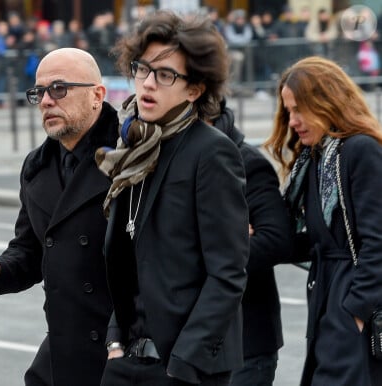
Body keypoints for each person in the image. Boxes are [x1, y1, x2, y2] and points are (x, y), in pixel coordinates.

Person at [95, 11, 249, 386]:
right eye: (142, 69)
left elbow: (227, 272)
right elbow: (129, 257)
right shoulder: (133, 147)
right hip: (126, 359)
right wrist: (116, 338)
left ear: (194, 89)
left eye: (165, 75)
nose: (148, 84)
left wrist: (182, 362)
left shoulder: (211, 152)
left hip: (182, 368)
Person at [0, 47, 119, 386]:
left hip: (122, 349)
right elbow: (30, 250)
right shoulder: (37, 166)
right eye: (38, 92)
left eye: (59, 89)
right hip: (63, 347)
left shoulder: (130, 156)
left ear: (97, 95)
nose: (45, 101)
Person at [265, 56, 382, 386]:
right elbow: (320, 239)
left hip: (350, 307)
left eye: (299, 109)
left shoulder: (360, 150)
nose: (292, 121)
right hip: (327, 303)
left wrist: (353, 315)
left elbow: (377, 242)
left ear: (326, 102)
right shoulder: (314, 160)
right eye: (288, 111)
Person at [211, 100, 292, 386]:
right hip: (196, 341)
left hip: (248, 341)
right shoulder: (175, 159)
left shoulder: (247, 162)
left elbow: (275, 239)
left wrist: (205, 251)